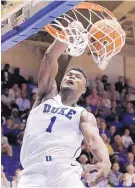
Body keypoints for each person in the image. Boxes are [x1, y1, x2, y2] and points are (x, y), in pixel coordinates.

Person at [18, 40, 111, 188]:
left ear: (85, 89)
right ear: (61, 82)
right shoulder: (46, 96)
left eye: (77, 77)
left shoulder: (83, 115)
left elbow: (93, 139)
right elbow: (49, 57)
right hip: (32, 171)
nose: (71, 77)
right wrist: (67, 35)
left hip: (64, 171)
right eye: (69, 75)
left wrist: (105, 160)